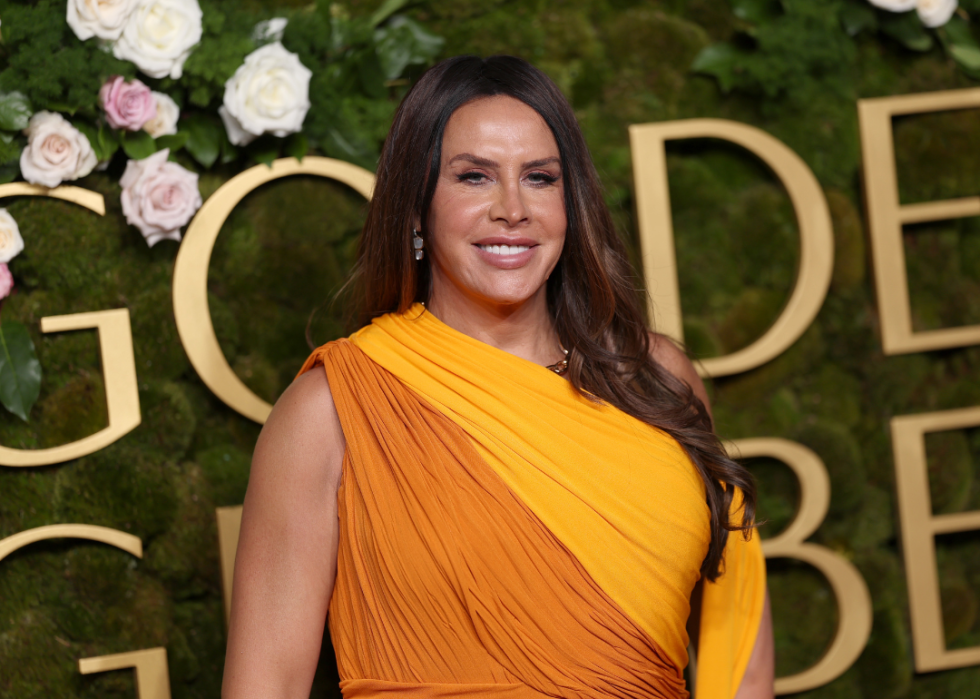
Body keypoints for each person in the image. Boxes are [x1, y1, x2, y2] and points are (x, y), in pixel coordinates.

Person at [222, 55, 774, 699]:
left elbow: (735, 637)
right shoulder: (333, 408)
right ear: (415, 209)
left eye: (539, 178)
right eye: (474, 176)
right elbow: (268, 685)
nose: (512, 209)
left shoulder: (655, 377)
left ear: (572, 204)